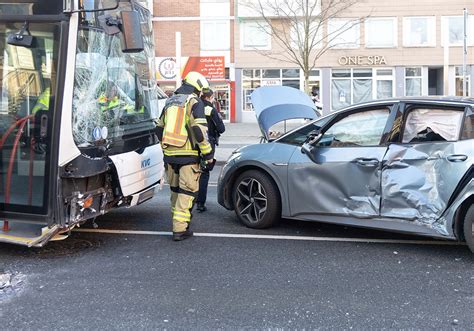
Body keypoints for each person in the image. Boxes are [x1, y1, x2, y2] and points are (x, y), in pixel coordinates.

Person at [155, 71, 214, 241]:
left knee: (175, 191)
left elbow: (159, 129)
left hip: (170, 156)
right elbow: (199, 130)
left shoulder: (170, 101)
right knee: (187, 192)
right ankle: (180, 228)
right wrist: (208, 154)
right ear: (197, 87)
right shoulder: (194, 102)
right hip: (188, 155)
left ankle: (178, 222)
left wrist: (165, 148)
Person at [196, 88, 225, 212]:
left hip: (194, 144)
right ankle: (200, 203)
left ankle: (189, 200)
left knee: (193, 172)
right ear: (209, 97)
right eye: (212, 97)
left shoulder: (194, 106)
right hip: (208, 144)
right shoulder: (210, 109)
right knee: (204, 173)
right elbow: (221, 128)